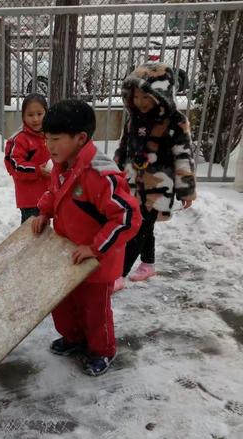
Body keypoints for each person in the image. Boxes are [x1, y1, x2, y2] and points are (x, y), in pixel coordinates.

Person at [32, 100, 141, 376]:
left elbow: (127, 217)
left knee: (95, 310)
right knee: (64, 303)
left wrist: (95, 248)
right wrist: (44, 211)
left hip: (96, 261)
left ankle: (102, 350)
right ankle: (74, 338)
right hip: (67, 253)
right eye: (47, 139)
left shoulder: (100, 175)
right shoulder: (63, 163)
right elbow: (56, 193)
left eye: (56, 139)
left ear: (80, 138)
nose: (50, 146)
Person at [113, 63, 196, 291]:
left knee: (138, 228)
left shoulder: (176, 123)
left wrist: (186, 189)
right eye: (136, 96)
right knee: (144, 227)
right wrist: (115, 172)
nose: (140, 102)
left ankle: (119, 274)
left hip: (158, 187)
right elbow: (123, 147)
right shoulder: (134, 119)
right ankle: (148, 263)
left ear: (161, 96)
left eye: (146, 97)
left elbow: (183, 156)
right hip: (132, 184)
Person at [4, 93, 51, 223]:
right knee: (32, 232)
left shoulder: (51, 135)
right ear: (23, 117)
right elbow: (15, 166)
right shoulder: (20, 139)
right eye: (30, 115)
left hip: (49, 194)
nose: (35, 119)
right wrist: (37, 170)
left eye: (39, 114)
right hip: (30, 198)